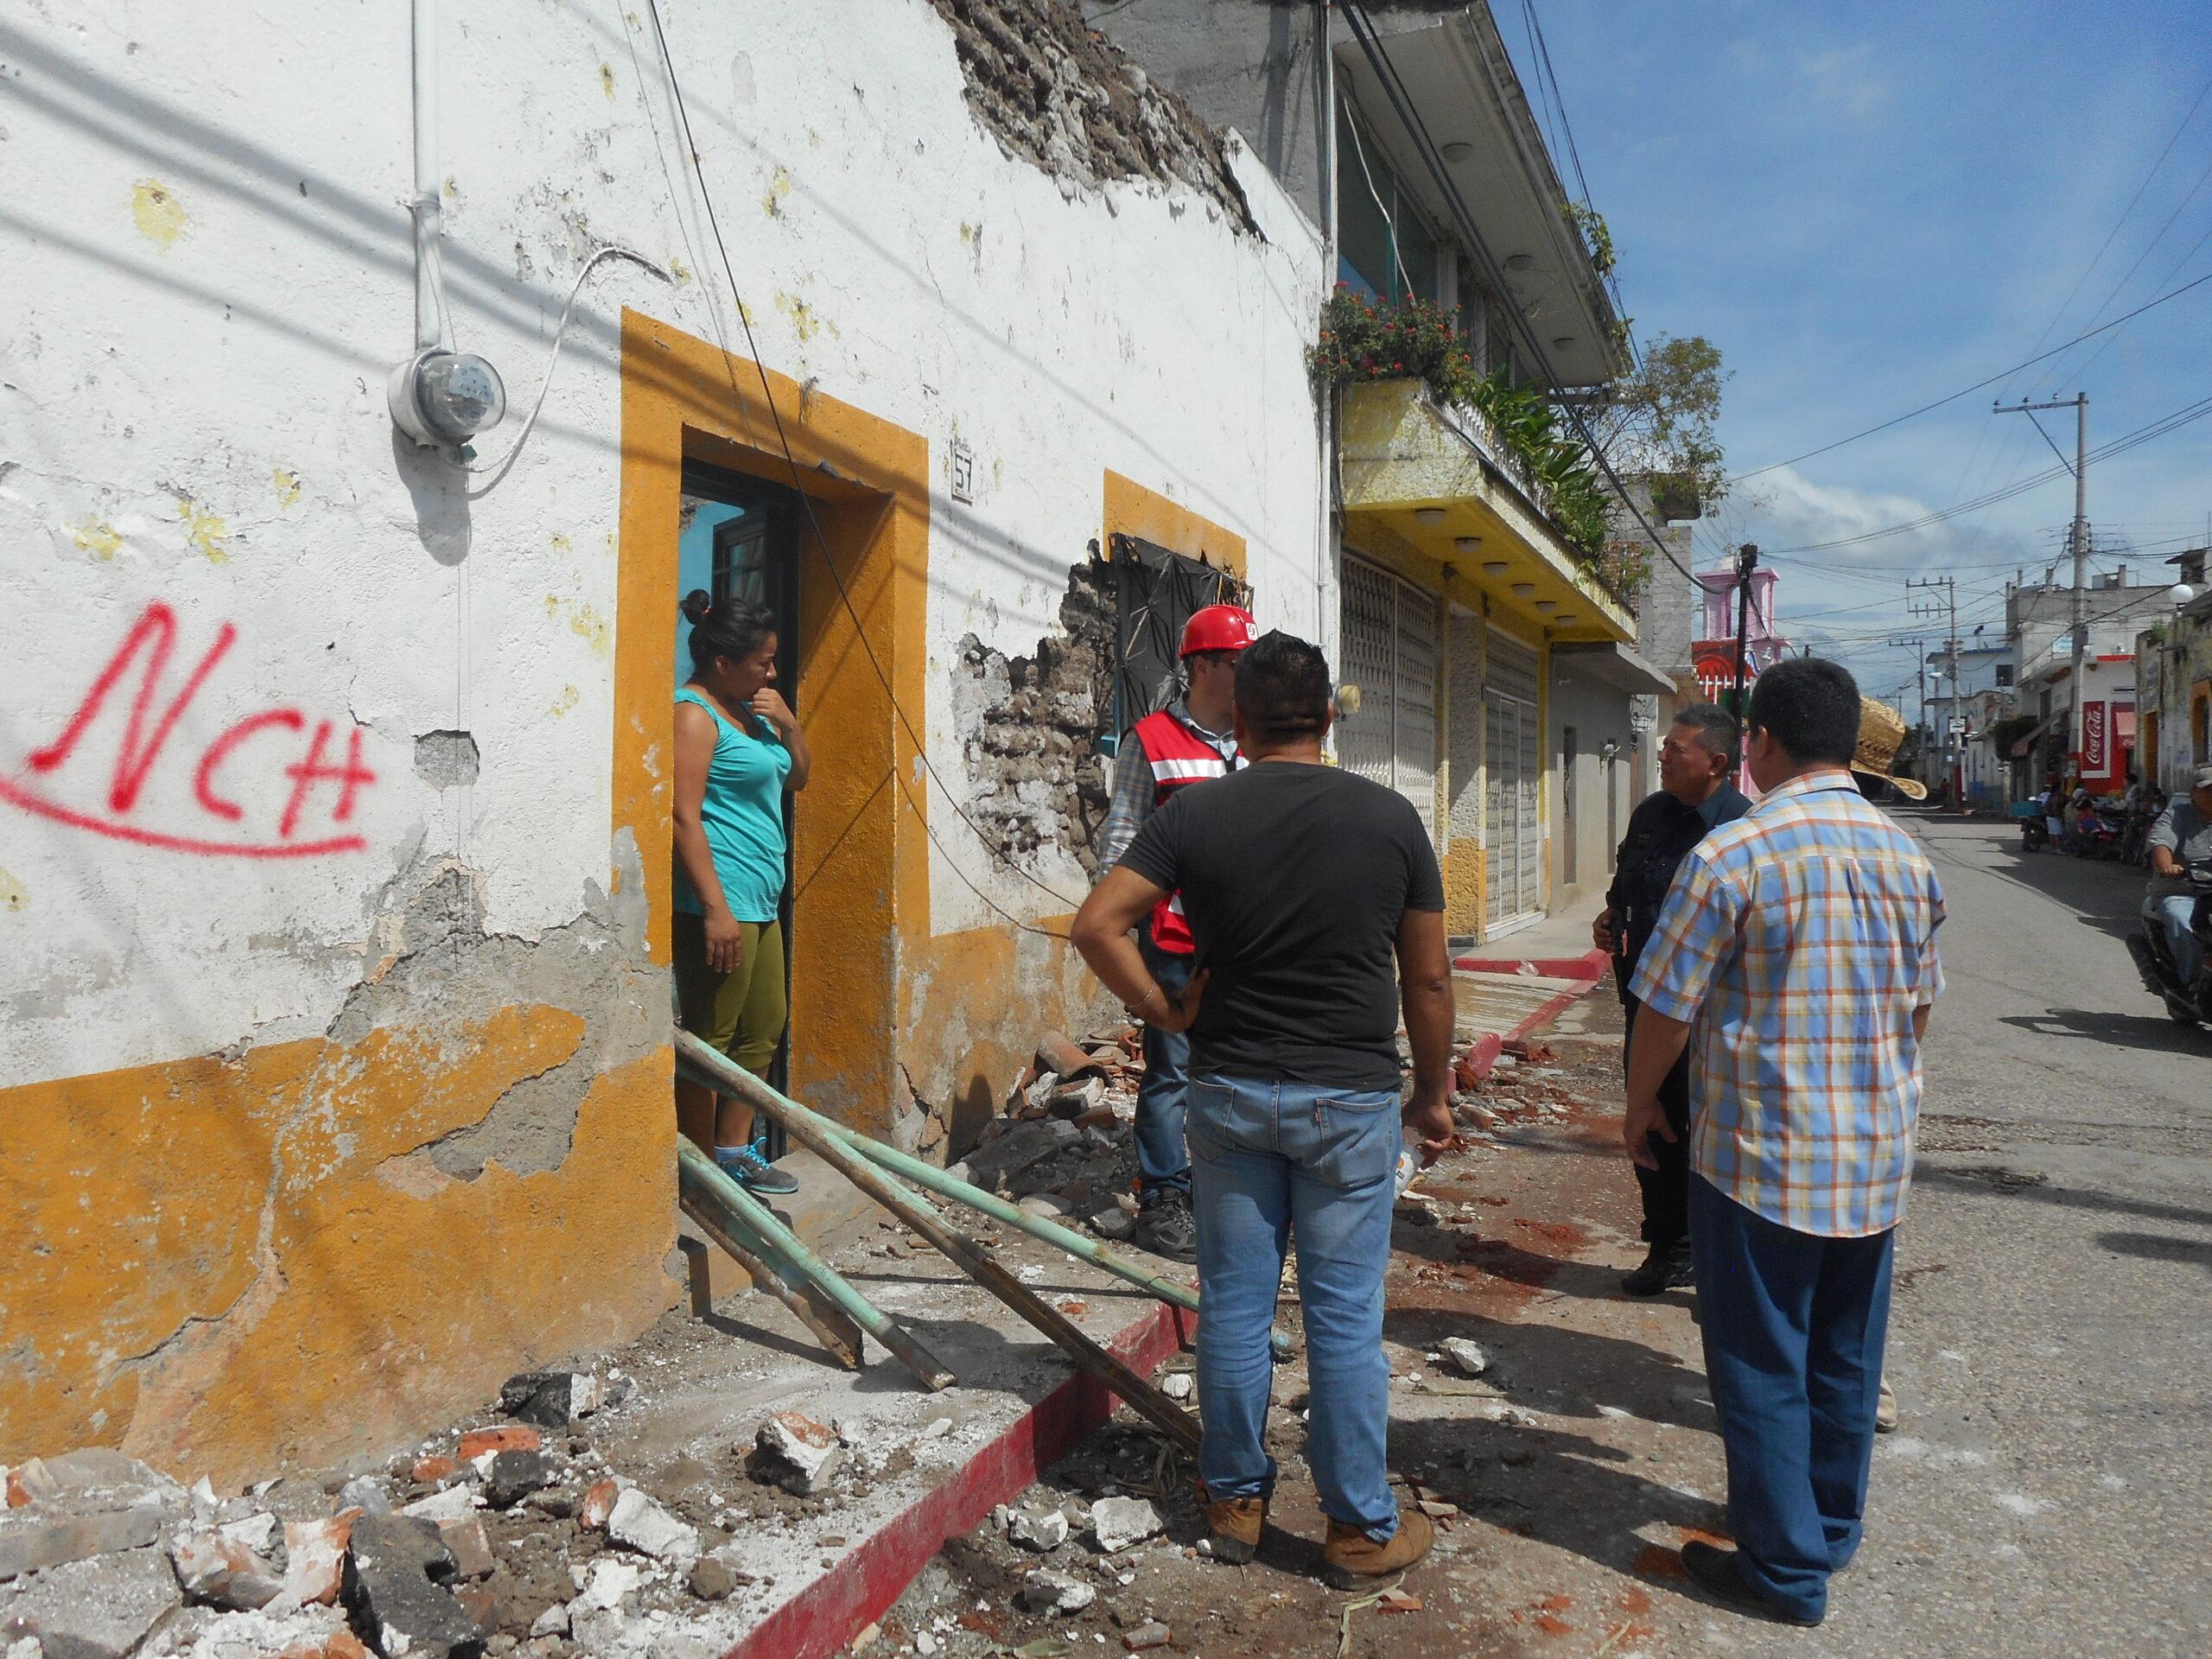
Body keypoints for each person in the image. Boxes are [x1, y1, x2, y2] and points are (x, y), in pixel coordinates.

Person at [1072, 631, 1454, 1587]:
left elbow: (1096, 922)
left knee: (1235, 1309)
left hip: (1231, 1092)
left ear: (1238, 720)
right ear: (1328, 717)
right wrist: (1435, 1092)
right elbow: (1430, 978)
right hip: (1348, 1100)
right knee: (1341, 1319)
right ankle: (1358, 1529)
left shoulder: (1197, 815)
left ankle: (1234, 1500)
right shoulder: (1389, 818)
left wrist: (1163, 1008)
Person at [1622, 660, 1945, 1628]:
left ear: (1756, 745)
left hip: (1759, 1158)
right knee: (1842, 1353)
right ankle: (1829, 1526)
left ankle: (1783, 1570)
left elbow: (1665, 1006)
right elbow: (1917, 1012)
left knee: (1760, 1358)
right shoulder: (1908, 860)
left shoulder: (1732, 856)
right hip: (1872, 1158)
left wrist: (1639, 1105)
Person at [1092, 603, 1258, 1262]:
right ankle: (1164, 1194)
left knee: (1246, 1066)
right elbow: (1123, 840)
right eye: (1239, 664)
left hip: (1250, 941)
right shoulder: (1151, 741)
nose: (1250, 676)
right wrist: (1120, 928)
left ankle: (1237, 1185)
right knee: (1173, 1070)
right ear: (1202, 666)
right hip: (1177, 943)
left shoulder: (1259, 741)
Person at [1591, 704, 1750, 1296]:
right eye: (1665, 747)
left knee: (1712, 1135)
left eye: (1676, 748)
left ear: (1716, 762)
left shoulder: (1739, 829)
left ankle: (1721, 1262)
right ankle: (1669, 1246)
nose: (1662, 756)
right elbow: (1626, 883)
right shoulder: (1652, 815)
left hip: (1712, 1017)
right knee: (1652, 1120)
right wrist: (1611, 916)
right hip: (1648, 1006)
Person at [671, 590, 812, 1195]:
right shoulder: (694, 713)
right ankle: (695, 1168)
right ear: (723, 662)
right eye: (763, 661)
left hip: (762, 897)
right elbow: (682, 816)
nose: (772, 672)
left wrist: (789, 723)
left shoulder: (750, 713)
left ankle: (733, 1153)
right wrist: (713, 908)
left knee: (764, 1026)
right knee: (711, 1039)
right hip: (720, 901)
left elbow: (798, 777)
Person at [2144, 763, 2212, 990]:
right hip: (2182, 892)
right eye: (2208, 789)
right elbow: (2161, 841)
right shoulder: (2178, 814)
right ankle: (2192, 983)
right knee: (2184, 924)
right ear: (2194, 792)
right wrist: (2168, 866)